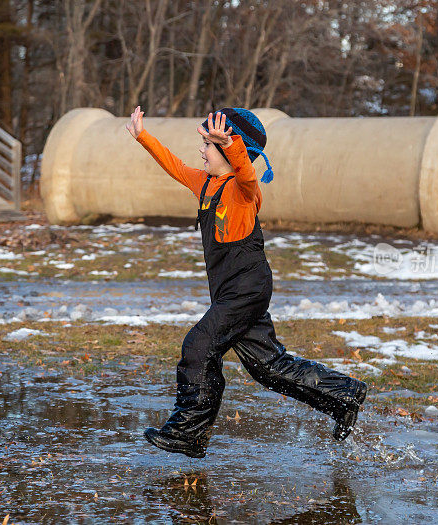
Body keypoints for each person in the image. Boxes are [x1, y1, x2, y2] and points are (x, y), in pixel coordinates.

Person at [125, 105, 367, 459]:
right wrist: (143, 137)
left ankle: (188, 433)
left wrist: (231, 142)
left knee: (198, 346)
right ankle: (343, 395)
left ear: (227, 151)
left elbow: (247, 172)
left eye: (207, 145)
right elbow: (174, 165)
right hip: (230, 290)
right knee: (267, 367)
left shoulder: (243, 189)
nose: (201, 150)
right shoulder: (206, 183)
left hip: (247, 288)